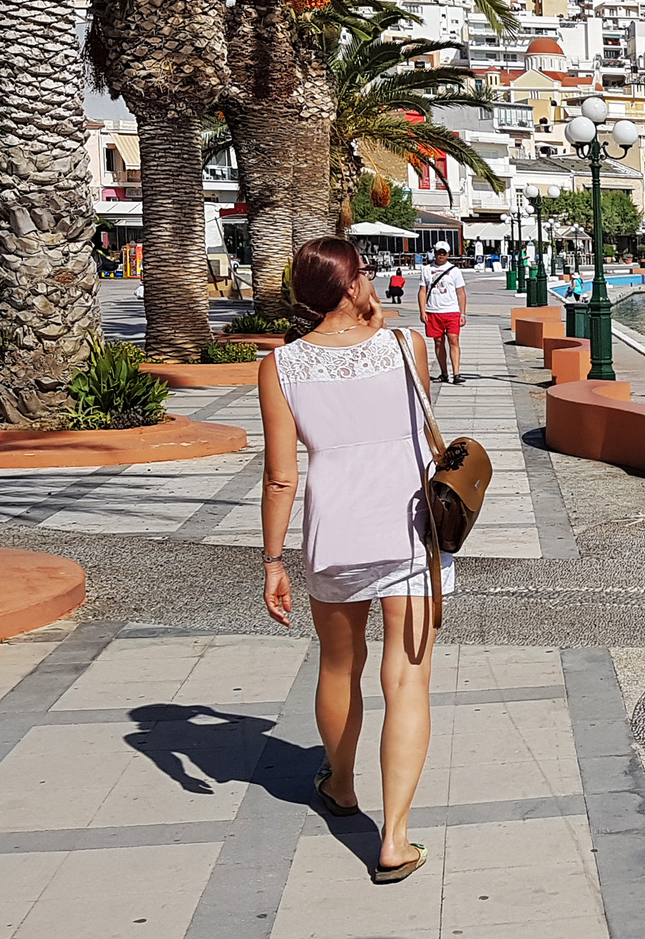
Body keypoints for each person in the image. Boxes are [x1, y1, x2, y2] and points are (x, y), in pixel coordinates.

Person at [258, 236, 449, 885]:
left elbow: (281, 477)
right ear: (346, 287)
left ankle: (341, 786)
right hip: (411, 531)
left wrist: (272, 561)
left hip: (336, 532)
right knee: (407, 679)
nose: (373, 282)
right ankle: (393, 840)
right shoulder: (404, 346)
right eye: (364, 274)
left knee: (340, 664)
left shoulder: (282, 365)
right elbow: (425, 433)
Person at [419, 243, 466, 385]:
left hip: (451, 311)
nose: (441, 255)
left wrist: (462, 314)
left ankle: (456, 373)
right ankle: (444, 373)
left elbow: (461, 293)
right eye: (439, 252)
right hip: (433, 311)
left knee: (454, 340)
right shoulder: (426, 270)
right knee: (438, 342)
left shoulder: (454, 271)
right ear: (434, 253)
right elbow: (422, 291)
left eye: (444, 253)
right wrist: (422, 311)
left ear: (448, 254)